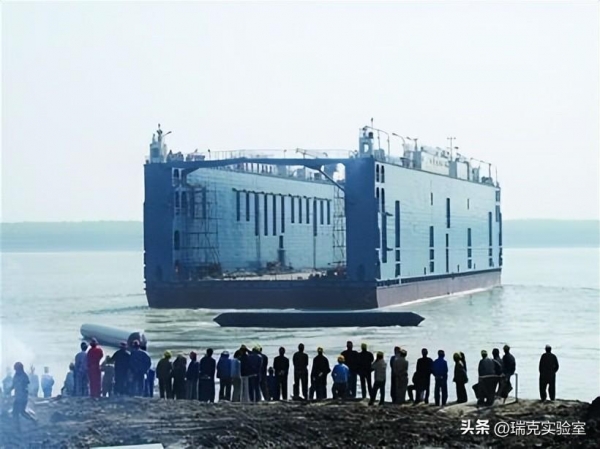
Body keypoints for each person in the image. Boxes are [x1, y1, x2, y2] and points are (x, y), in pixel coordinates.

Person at [10, 362, 36, 428]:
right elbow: (14, 385)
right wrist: (9, 390)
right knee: (17, 413)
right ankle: (17, 427)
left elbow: (26, 385)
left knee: (20, 412)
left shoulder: (24, 376)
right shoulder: (16, 375)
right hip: (18, 397)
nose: (16, 370)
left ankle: (32, 420)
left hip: (22, 397)